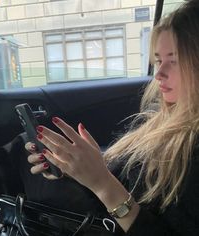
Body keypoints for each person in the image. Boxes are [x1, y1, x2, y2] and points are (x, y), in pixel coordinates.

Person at [26, 0, 199, 235]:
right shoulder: (164, 121)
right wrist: (75, 168)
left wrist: (103, 183)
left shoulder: (192, 145)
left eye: (174, 60)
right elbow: (123, 188)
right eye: (158, 60)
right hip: (94, 217)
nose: (159, 73)